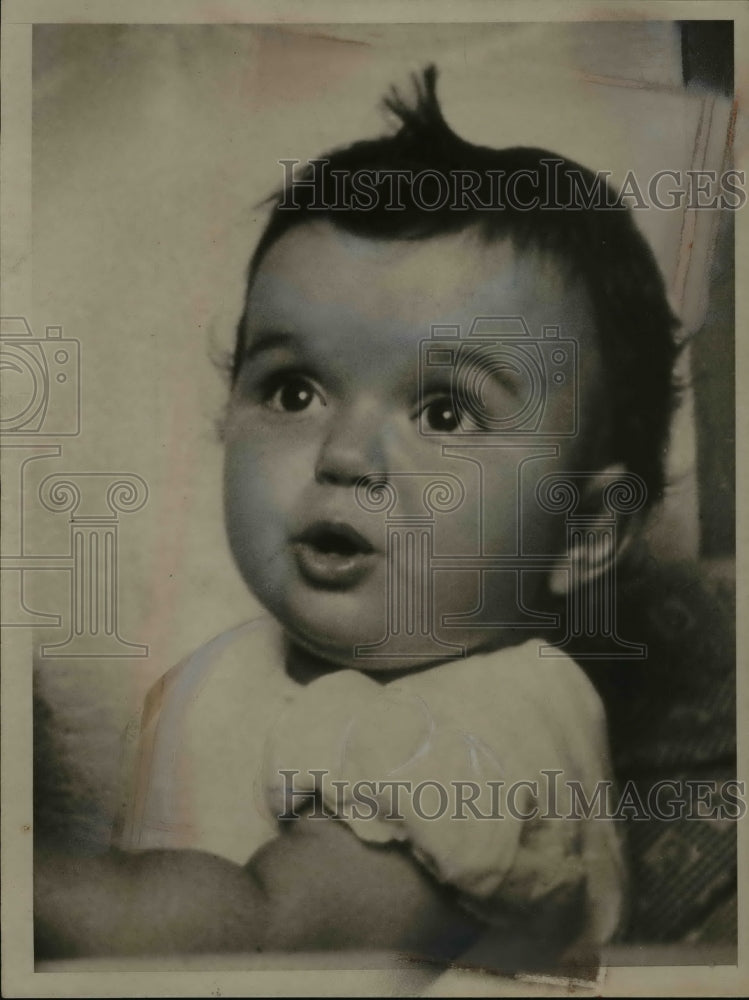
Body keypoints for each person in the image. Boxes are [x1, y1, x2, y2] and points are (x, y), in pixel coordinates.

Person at [35, 66, 681, 968]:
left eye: (444, 414)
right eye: (293, 390)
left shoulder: (508, 720)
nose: (342, 454)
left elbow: (267, 932)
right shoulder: (226, 674)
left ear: (580, 533)